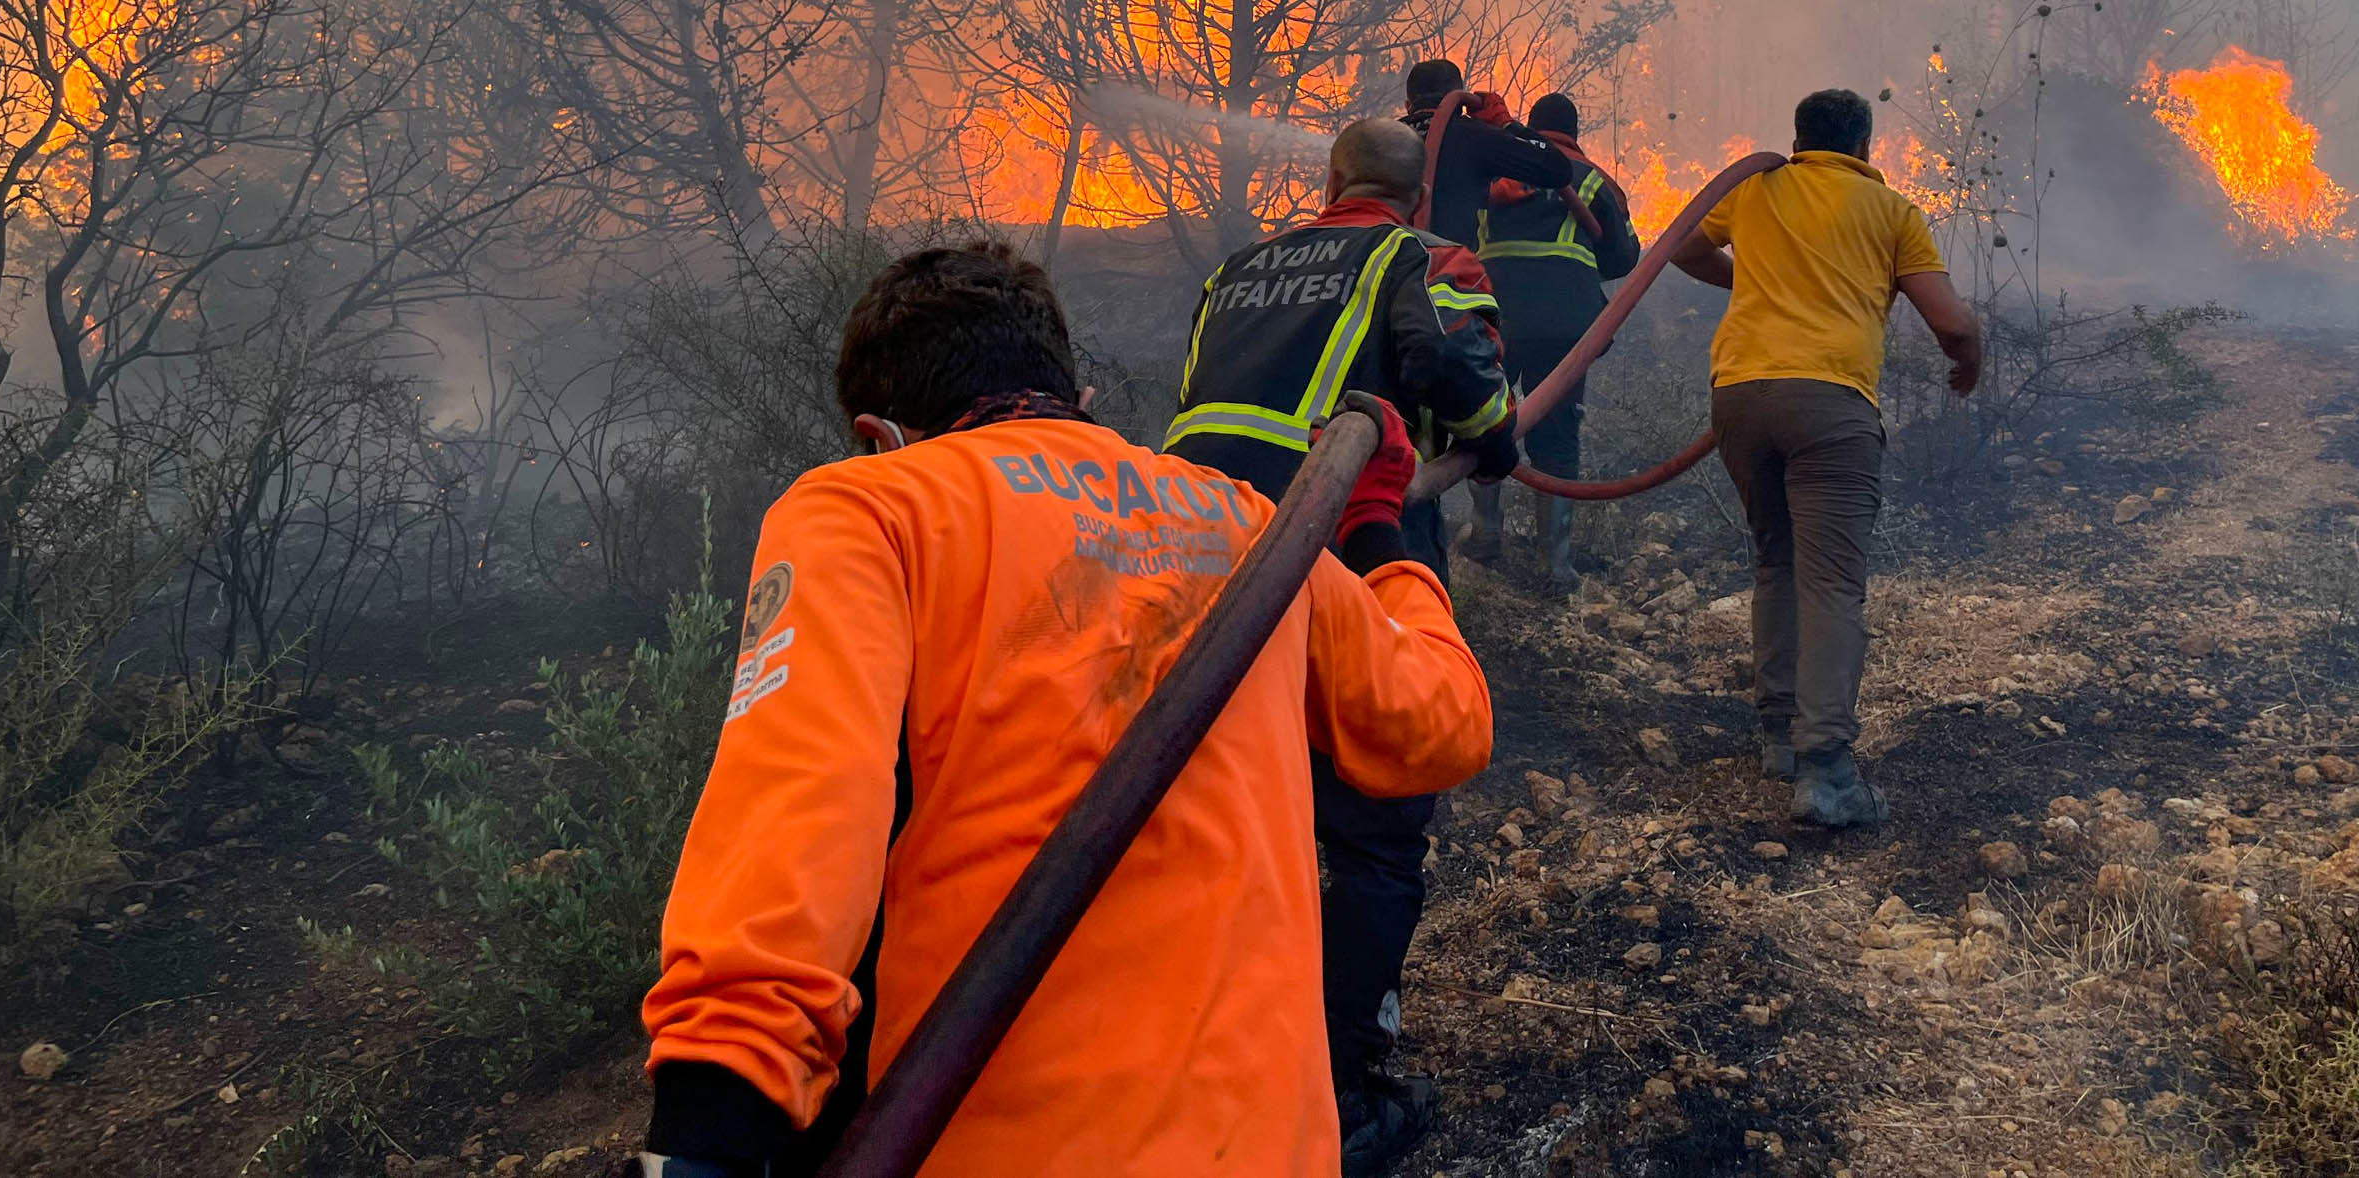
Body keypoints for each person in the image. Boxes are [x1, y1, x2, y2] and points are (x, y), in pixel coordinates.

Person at [638, 242, 1492, 1178]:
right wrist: (1380, 532)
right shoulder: (1247, 523)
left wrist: (710, 1116)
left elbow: (800, 799)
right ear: (1078, 404)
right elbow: (1441, 724)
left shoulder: (873, 507)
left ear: (880, 432)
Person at [1163, 118, 1520, 1172]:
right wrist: (1494, 438)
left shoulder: (1240, 270)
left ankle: (1218, 1051)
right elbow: (1454, 371)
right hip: (1348, 547)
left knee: (1238, 809)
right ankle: (1337, 1092)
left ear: (1327, 184)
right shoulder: (1422, 257)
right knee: (1377, 819)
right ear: (1414, 200)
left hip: (1196, 557)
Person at [1671, 88, 1982, 830]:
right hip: (1830, 405)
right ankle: (1827, 770)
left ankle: (1779, 734)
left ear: (1798, 136)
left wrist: (1747, 280)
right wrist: (1968, 358)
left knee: (1775, 564)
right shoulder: (1890, 211)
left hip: (1740, 398)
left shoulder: (1755, 189)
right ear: (1866, 146)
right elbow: (1948, 320)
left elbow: (1681, 245)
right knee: (1832, 582)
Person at [1471, 91, 1641, 589]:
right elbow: (1623, 256)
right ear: (1575, 132)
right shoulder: (1590, 178)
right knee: (1557, 438)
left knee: (1481, 419)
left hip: (1492, 313)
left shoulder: (1492, 172)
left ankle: (1484, 535)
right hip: (1565, 322)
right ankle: (1555, 565)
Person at [1400, 57, 1575, 255]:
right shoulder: (1475, 136)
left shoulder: (1379, 140)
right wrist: (1506, 124)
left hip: (1381, 271)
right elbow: (1558, 168)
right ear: (1461, 99)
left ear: (1408, 105)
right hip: (1444, 273)